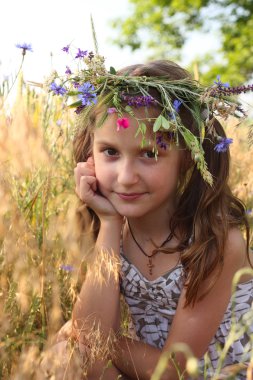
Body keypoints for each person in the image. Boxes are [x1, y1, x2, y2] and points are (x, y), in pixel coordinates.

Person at [43, 57, 253, 379]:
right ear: (90, 155)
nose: (126, 178)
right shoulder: (111, 229)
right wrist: (110, 224)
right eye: (110, 152)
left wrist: (84, 332)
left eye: (150, 153)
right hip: (145, 371)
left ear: (186, 159)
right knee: (64, 356)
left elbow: (174, 370)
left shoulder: (216, 241)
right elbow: (91, 343)